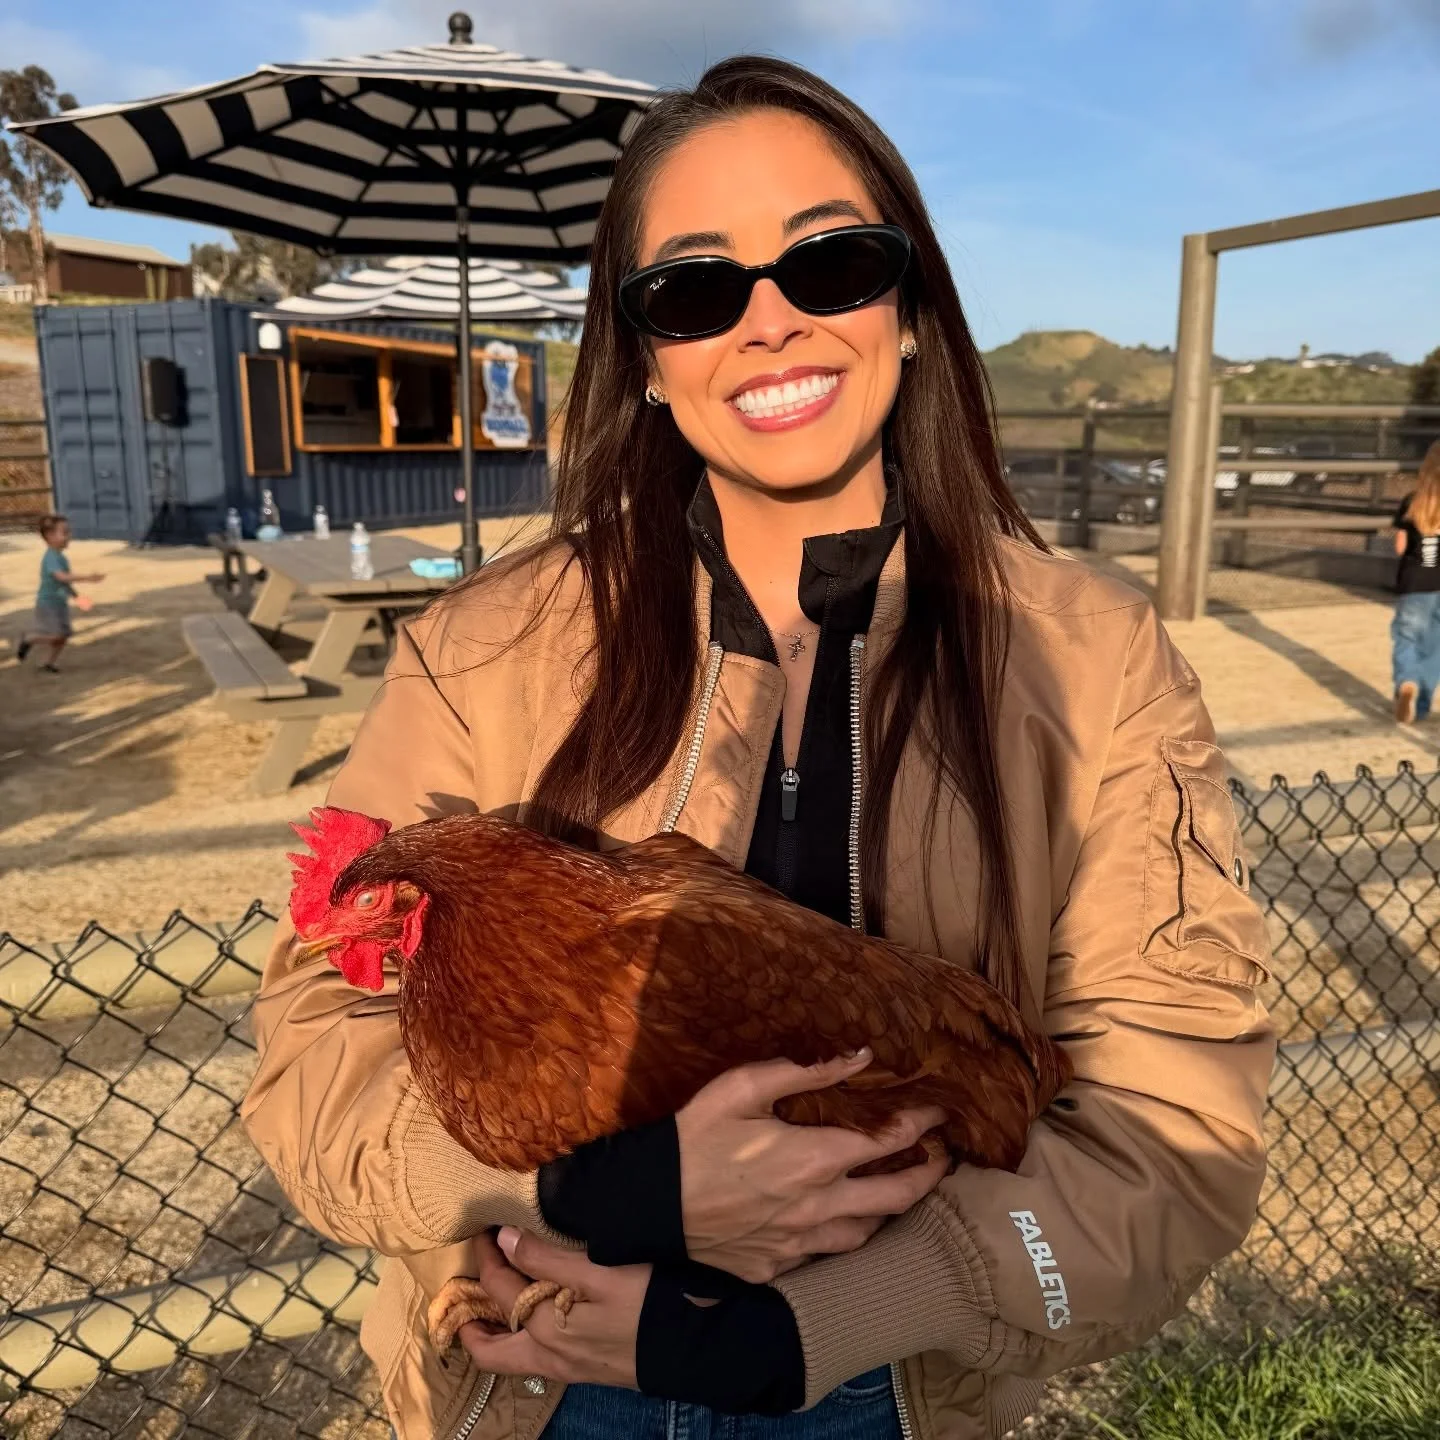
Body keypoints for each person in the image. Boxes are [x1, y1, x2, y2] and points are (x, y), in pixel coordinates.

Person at [241, 57, 1276, 1440]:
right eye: (696, 289)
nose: (772, 323)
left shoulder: (1088, 661)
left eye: (831, 263)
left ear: (909, 310)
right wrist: (584, 1196)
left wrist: (803, 1330)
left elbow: (1176, 1135)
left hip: (886, 1382)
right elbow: (312, 1048)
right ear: (652, 366)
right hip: (536, 1376)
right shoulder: (485, 647)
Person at [1390, 439, 1440, 724]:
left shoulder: (1412, 501)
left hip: (1414, 582)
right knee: (1435, 645)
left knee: (1407, 638)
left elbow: (1400, 547)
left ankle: (1406, 681)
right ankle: (1422, 705)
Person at [15, 514, 102, 674]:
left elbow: (64, 583)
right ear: (49, 536)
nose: (69, 536)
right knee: (56, 635)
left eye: (68, 532)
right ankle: (29, 639)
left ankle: (48, 663)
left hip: (59, 604)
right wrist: (87, 578)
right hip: (48, 604)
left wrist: (78, 598)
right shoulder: (51, 558)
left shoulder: (61, 557)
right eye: (65, 532)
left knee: (63, 636)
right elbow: (61, 577)